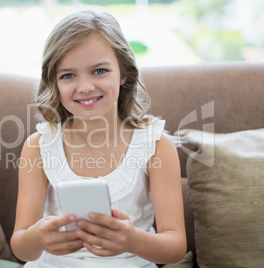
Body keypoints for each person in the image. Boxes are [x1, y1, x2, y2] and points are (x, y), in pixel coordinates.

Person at [10, 10, 186, 268]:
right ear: (54, 83)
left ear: (124, 73)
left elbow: (175, 247)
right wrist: (37, 239)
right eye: (68, 75)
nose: (85, 87)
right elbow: (21, 247)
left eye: (100, 71)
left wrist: (132, 239)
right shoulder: (38, 147)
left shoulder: (156, 145)